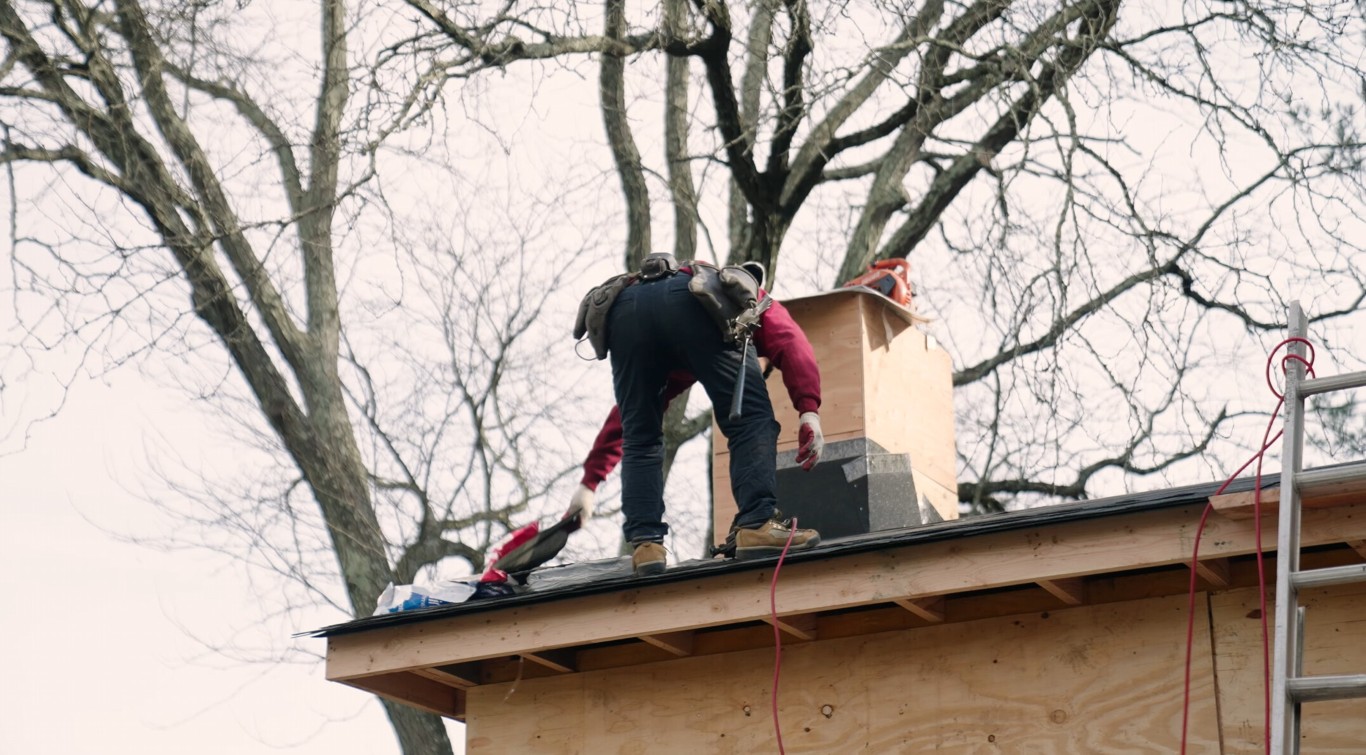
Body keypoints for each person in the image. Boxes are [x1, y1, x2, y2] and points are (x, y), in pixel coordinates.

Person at [568, 255, 826, 576]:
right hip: (691, 307)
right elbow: (792, 342)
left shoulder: (677, 354)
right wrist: (809, 411)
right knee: (749, 418)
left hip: (624, 311)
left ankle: (646, 544)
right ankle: (756, 524)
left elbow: (625, 419)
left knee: (642, 435)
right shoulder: (747, 299)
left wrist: (590, 481)